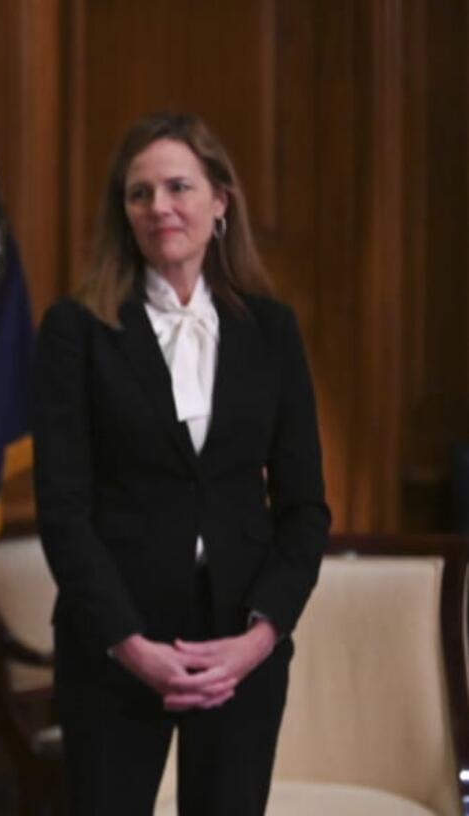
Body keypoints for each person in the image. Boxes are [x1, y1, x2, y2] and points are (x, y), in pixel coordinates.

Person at [32, 112, 329, 815]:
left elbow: (305, 509)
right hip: (114, 642)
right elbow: (63, 511)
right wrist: (133, 647)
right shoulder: (76, 330)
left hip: (240, 645)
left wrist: (257, 640)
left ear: (220, 201)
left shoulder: (273, 331)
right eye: (140, 193)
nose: (159, 207)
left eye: (178, 186)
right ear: (123, 212)